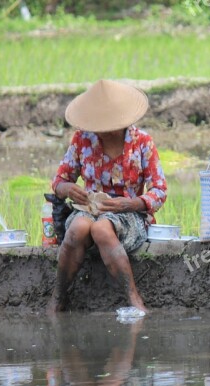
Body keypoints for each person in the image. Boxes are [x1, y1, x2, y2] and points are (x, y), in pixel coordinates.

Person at [48, 79, 167, 314]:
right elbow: (59, 181)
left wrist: (131, 203)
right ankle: (58, 296)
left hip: (128, 215)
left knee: (102, 229)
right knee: (78, 228)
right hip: (89, 210)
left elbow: (159, 190)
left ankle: (133, 298)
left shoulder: (142, 142)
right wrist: (69, 189)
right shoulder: (82, 140)